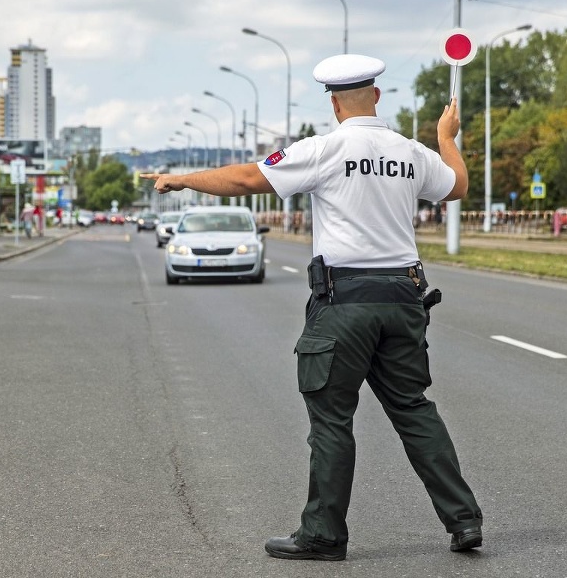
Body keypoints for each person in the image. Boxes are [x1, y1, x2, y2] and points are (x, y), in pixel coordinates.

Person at [142, 53, 482, 561]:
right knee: (414, 409)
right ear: (377, 96)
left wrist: (184, 180)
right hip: (404, 298)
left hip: (343, 303)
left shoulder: (325, 149)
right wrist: (447, 138)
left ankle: (324, 534)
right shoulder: (409, 152)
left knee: (331, 420)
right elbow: (458, 187)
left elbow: (246, 180)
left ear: (334, 104)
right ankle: (464, 522)